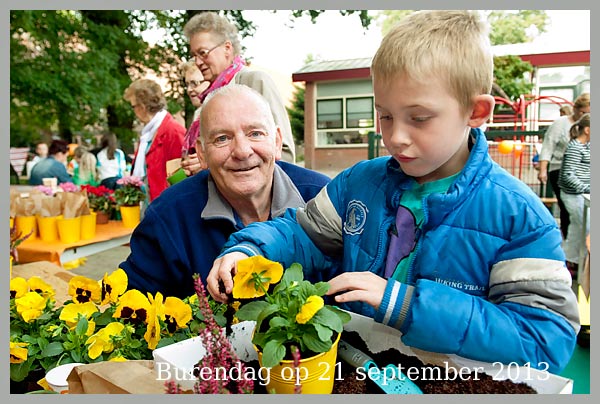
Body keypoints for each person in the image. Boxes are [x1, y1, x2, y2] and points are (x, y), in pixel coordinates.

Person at [207, 11, 580, 374]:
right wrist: (253, 249)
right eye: (385, 115)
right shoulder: (358, 184)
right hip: (362, 368)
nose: (395, 136)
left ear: (476, 111)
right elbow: (301, 234)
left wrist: (404, 304)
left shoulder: (519, 217)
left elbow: (545, 339)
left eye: (418, 118)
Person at [119, 84, 330, 298]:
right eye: (222, 138)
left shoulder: (324, 199)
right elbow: (131, 305)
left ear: (276, 142)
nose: (242, 151)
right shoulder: (168, 217)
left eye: (255, 133)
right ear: (201, 153)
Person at [183, 11, 296, 164]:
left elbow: (284, 154)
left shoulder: (254, 81)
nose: (197, 62)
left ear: (227, 48)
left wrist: (210, 165)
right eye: (194, 55)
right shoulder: (208, 98)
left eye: (203, 53)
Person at [123, 78, 186, 202]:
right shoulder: (147, 134)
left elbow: (182, 177)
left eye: (133, 106)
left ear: (143, 106)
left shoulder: (172, 131)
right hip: (151, 205)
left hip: (166, 208)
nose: (134, 111)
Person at [538, 93, 590, 238]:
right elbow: (548, 147)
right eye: (583, 112)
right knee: (569, 209)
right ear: (575, 109)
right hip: (560, 169)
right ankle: (569, 241)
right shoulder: (560, 124)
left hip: (583, 172)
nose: (584, 115)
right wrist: (543, 170)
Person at [558, 113, 590, 277]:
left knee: (579, 228)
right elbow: (568, 176)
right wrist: (587, 188)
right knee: (584, 227)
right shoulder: (575, 147)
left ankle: (572, 260)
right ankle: (573, 261)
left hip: (582, 194)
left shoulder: (587, 147)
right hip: (574, 195)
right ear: (587, 130)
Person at [179, 59, 209, 176]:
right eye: (187, 84)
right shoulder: (198, 114)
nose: (189, 89)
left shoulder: (219, 112)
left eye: (194, 83)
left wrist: (207, 161)